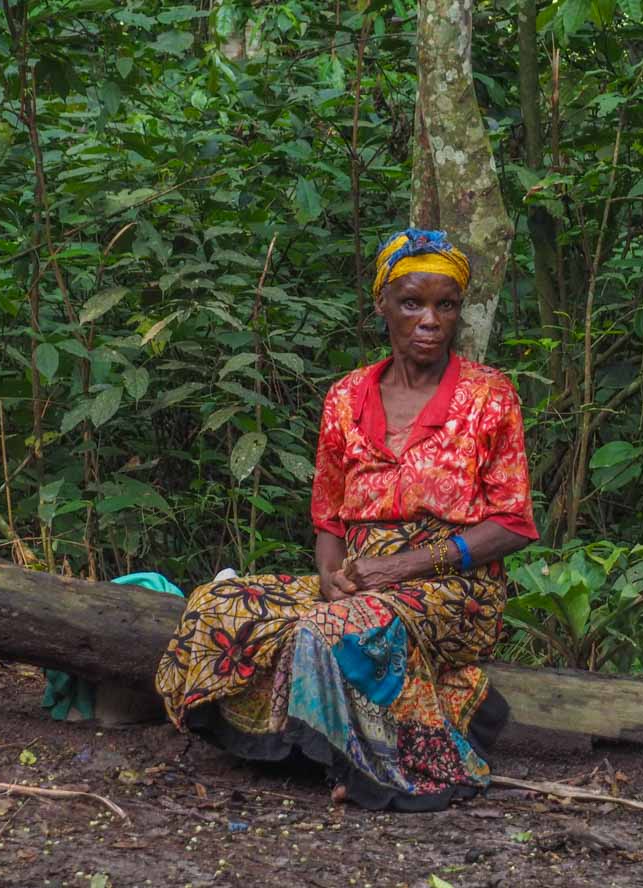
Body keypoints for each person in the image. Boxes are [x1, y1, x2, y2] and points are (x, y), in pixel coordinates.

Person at [155, 229, 539, 811]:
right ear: (382, 304)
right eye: (412, 302)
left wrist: (402, 567)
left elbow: (513, 523)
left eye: (446, 304)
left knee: (337, 630)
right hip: (361, 579)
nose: (430, 319)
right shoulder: (345, 397)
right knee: (221, 602)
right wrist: (333, 578)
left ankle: (373, 762)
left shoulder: (490, 397)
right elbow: (330, 517)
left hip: (454, 589)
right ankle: (285, 746)